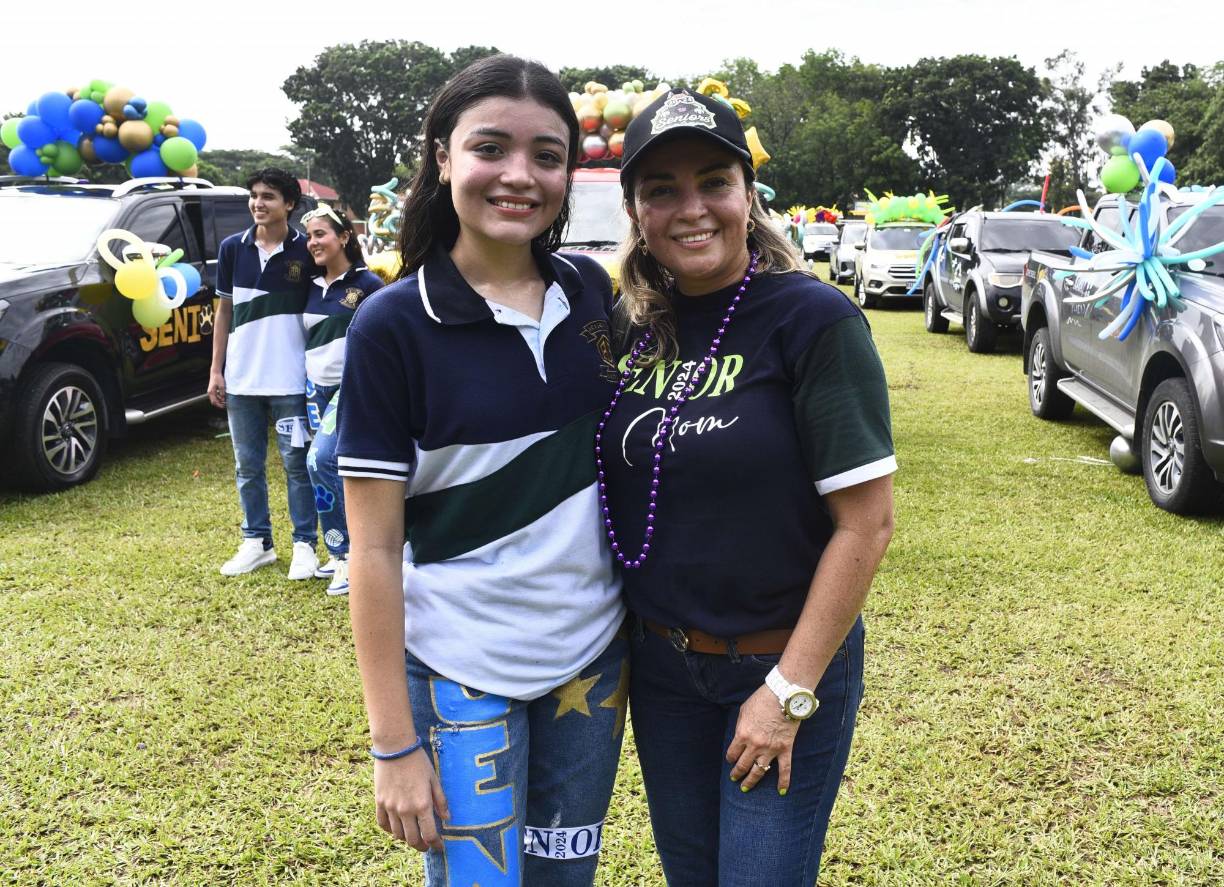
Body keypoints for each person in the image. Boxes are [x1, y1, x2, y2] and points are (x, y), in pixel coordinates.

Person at [335, 55, 626, 886]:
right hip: (460, 670)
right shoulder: (391, 325)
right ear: (442, 157)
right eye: (490, 147)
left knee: (566, 878)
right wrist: (393, 743)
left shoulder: (591, 293)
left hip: (593, 661)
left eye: (547, 154)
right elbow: (374, 549)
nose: (519, 176)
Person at [600, 88, 897, 885]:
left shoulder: (812, 320)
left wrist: (787, 691)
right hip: (662, 670)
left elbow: (865, 526)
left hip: (779, 662)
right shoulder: (627, 328)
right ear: (635, 208)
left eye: (712, 181)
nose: (690, 208)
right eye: (662, 189)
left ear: (747, 195)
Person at [209, 168, 319, 579]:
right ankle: (257, 542)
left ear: (289, 204)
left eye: (268, 196)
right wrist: (216, 370)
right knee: (247, 466)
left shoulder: (307, 250)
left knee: (297, 465)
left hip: (291, 381)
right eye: (254, 195)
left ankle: (306, 544)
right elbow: (223, 312)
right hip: (241, 382)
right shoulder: (231, 249)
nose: (258, 203)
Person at [301, 204, 384, 595]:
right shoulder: (309, 286)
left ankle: (348, 556)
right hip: (313, 389)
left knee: (320, 460)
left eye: (321, 234)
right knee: (329, 470)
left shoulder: (369, 286)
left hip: (351, 388)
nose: (313, 242)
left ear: (344, 237)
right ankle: (340, 553)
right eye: (310, 236)